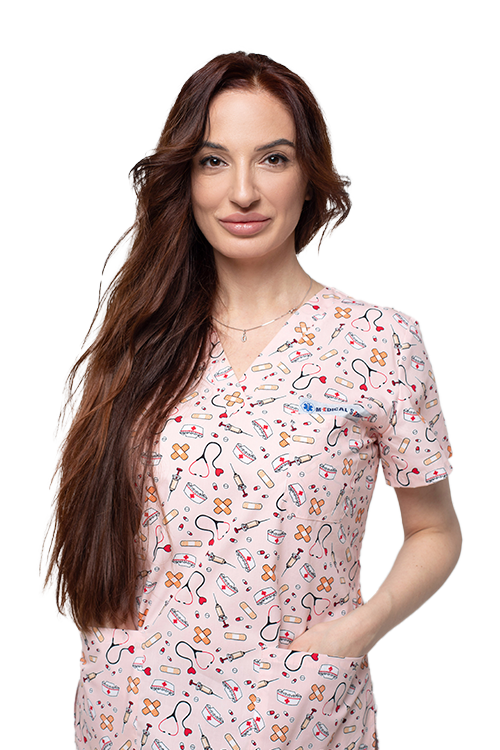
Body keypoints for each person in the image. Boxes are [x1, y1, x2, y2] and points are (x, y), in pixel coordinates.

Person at [42, 50, 462, 749]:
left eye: (272, 158)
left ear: (308, 176)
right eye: (213, 161)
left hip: (299, 714)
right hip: (137, 713)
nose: (242, 191)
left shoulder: (379, 342)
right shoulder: (140, 344)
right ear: (186, 180)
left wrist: (359, 630)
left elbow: (435, 531)